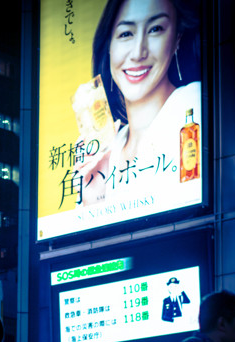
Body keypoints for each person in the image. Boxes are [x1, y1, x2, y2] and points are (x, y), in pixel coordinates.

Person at [76, 0, 202, 205]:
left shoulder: (193, 105)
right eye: (126, 33)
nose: (138, 53)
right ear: (108, 45)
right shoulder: (107, 152)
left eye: (155, 29)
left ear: (177, 38)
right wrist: (93, 199)